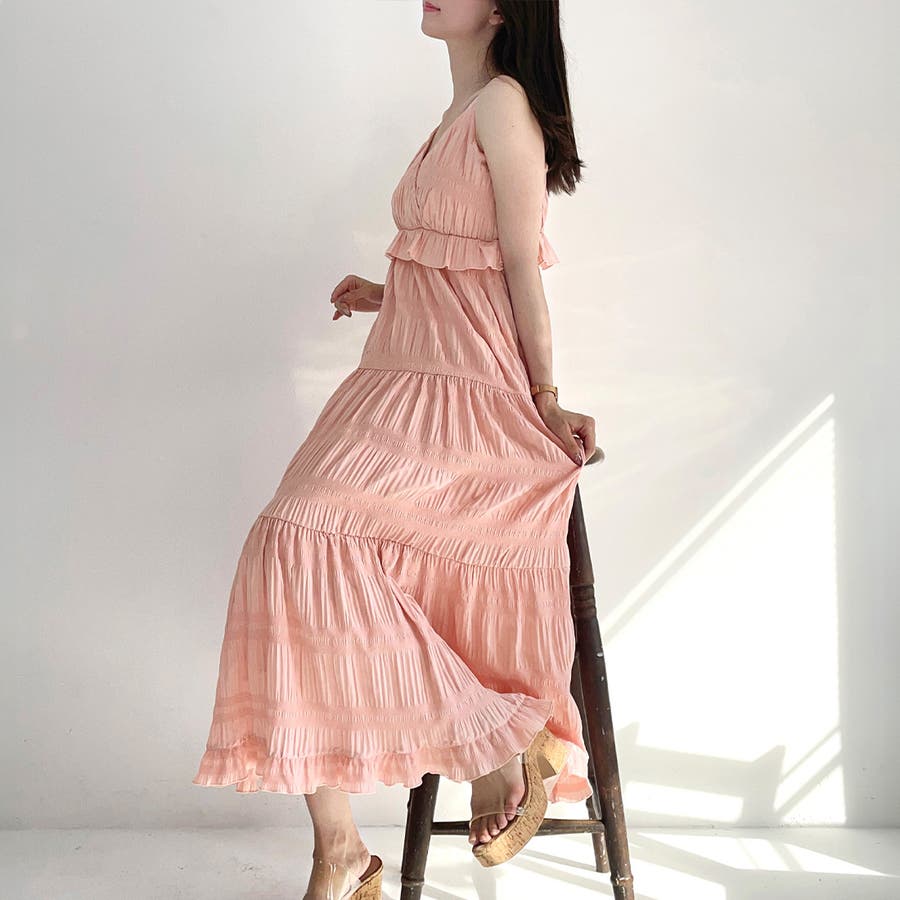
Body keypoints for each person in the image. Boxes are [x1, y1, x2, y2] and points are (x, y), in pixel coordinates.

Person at [193, 2, 597, 897]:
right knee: (288, 541)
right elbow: (463, 258)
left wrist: (545, 400)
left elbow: (519, 268)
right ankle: (341, 850)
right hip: (399, 377)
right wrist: (390, 291)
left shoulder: (503, 104)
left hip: (469, 399)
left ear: (503, 7)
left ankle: (494, 742)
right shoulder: (460, 111)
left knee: (304, 535)